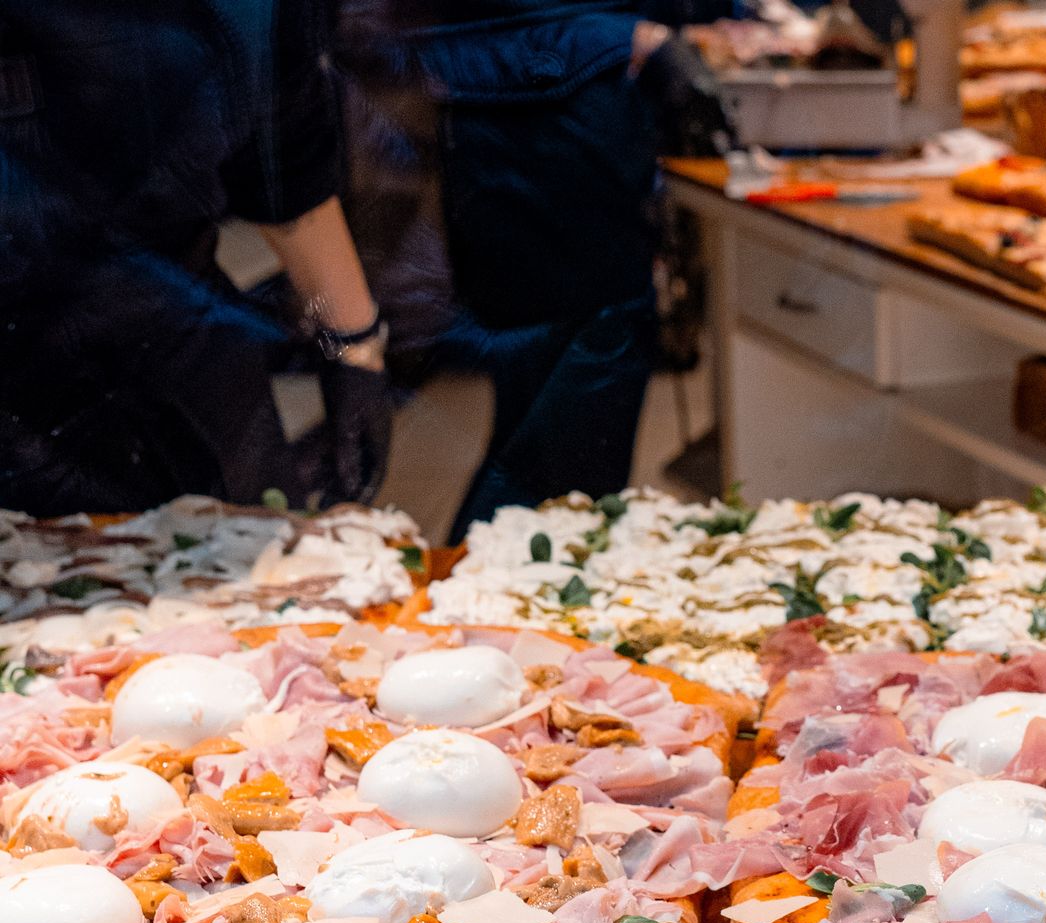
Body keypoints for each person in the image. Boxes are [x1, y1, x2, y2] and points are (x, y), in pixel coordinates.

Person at [334, 0, 734, 541]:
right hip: (556, 111)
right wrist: (627, 37)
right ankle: (465, 583)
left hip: (510, 110)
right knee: (565, 445)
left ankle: (473, 578)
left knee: (543, 414)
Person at [0, 0, 394, 515]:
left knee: (273, 559)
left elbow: (284, 147)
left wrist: (351, 345)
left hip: (183, 346)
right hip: (18, 380)